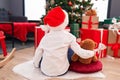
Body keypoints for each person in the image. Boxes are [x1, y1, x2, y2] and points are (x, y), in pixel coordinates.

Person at [33, 6, 95, 77]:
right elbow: (80, 52)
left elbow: (38, 52)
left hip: (45, 70)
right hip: (61, 70)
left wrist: (36, 64)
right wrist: (93, 52)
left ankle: (47, 64)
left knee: (44, 52)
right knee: (70, 51)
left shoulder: (45, 37)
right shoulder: (69, 36)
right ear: (65, 21)